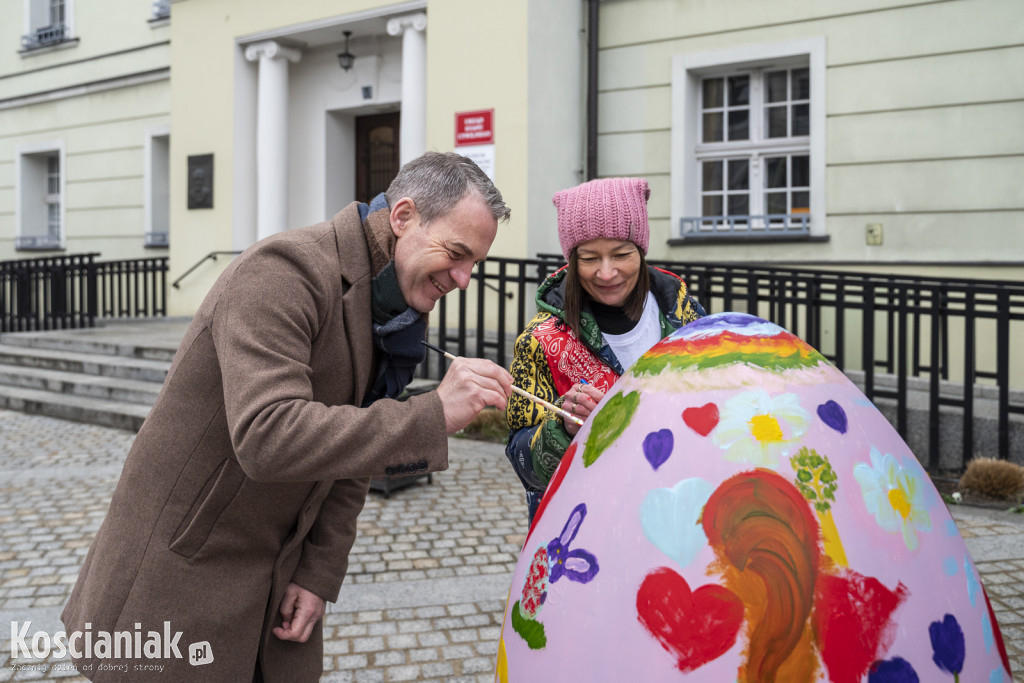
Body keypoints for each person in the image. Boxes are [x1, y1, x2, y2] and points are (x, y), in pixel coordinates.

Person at [61, 152, 513, 682]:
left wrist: (318, 572)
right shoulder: (282, 271)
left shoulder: (394, 311)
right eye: (456, 254)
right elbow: (267, 435)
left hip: (275, 582)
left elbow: (355, 456)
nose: (463, 279)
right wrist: (431, 414)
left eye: (474, 263)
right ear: (403, 217)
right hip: (180, 576)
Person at [505, 177, 706, 524]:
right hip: (589, 528)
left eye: (622, 254)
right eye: (589, 258)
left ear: (641, 251)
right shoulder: (540, 341)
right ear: (572, 260)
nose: (607, 272)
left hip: (680, 515)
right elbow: (524, 465)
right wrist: (563, 429)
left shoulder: (684, 315)